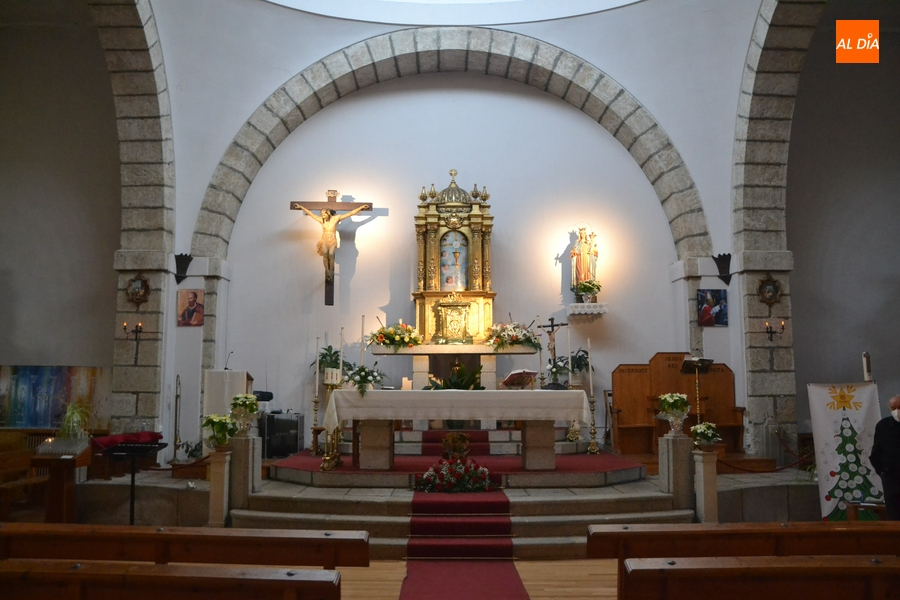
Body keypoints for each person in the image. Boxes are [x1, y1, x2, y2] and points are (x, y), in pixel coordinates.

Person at [297, 203, 370, 281]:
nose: (323, 216)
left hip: (332, 240)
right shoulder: (322, 220)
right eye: (322, 215)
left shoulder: (336, 219)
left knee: (331, 255)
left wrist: (360, 208)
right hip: (324, 240)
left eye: (324, 214)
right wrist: (301, 207)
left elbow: (350, 213)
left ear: (328, 213)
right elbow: (311, 214)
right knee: (325, 254)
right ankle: (327, 271)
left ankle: (331, 271)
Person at [870, 395, 900, 520]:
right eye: (893, 408)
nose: (897, 411)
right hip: (891, 478)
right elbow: (876, 452)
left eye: (899, 407)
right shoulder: (883, 425)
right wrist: (882, 472)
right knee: (894, 514)